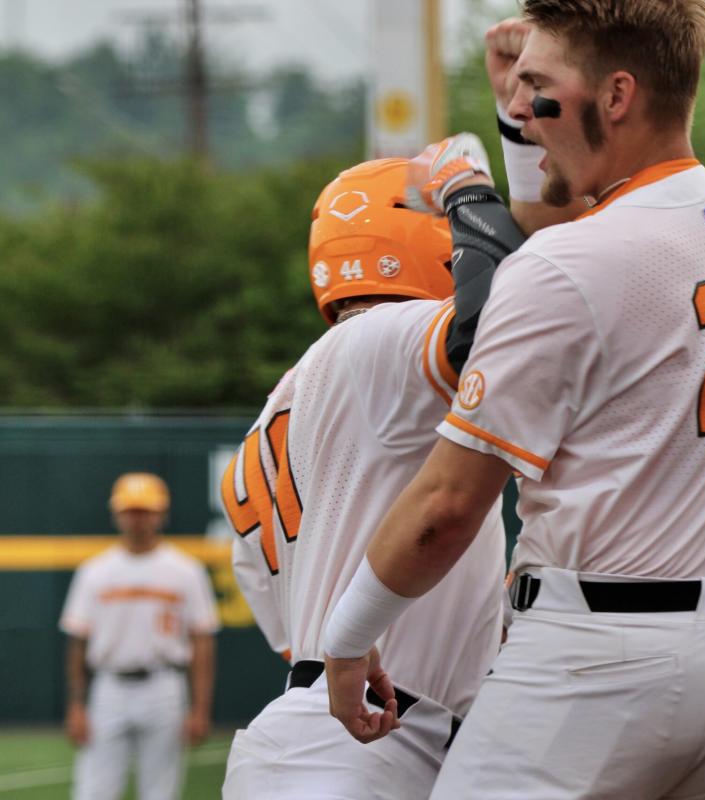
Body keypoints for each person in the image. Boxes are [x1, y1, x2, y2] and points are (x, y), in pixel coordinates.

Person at [324, 2, 705, 798]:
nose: (516, 105)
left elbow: (444, 507)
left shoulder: (572, 266)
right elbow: (586, 241)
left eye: (537, 88)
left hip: (597, 658)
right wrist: (527, 120)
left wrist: (346, 639)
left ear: (616, 97)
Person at [220, 137, 537, 799]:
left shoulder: (276, 415)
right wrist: (470, 194)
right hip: (363, 744)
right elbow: (501, 330)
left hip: (326, 737)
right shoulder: (378, 341)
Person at [60, 472, 219, 800]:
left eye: (145, 510)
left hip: (164, 686)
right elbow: (77, 641)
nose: (137, 519)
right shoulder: (95, 571)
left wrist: (200, 707)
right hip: (109, 687)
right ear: (117, 514)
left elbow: (202, 640)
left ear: (161, 513)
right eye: (131, 510)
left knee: (160, 792)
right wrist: (76, 704)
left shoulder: (185, 570)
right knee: (94, 791)